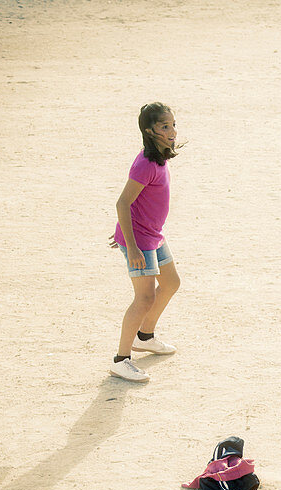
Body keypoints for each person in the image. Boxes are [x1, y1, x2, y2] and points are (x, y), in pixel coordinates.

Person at [107, 102, 182, 383]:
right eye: (165, 126)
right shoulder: (145, 164)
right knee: (144, 297)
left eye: (173, 124)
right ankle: (121, 360)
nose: (172, 131)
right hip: (140, 240)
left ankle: (145, 337)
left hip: (152, 235)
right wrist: (131, 244)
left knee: (172, 282)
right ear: (150, 131)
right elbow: (123, 203)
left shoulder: (159, 157)